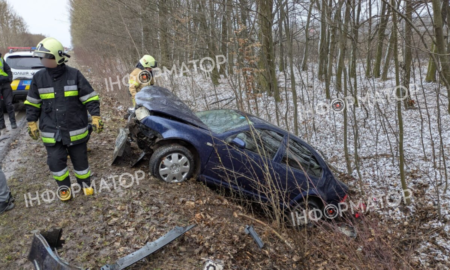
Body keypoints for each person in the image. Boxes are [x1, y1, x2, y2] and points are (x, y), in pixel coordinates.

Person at [25, 37, 104, 202]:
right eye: (42, 58)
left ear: (57, 57)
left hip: (75, 129)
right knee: (55, 162)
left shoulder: (75, 75)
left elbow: (90, 98)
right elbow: (32, 103)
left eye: (46, 57)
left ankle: (85, 184)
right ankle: (64, 188)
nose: (43, 60)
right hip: (51, 131)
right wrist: (31, 121)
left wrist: (95, 116)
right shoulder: (39, 78)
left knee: (80, 160)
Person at [0, 52, 17, 132]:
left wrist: (9, 79)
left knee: (9, 104)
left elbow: (8, 70)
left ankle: (13, 122)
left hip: (5, 85)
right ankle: (1, 124)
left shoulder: (1, 59)